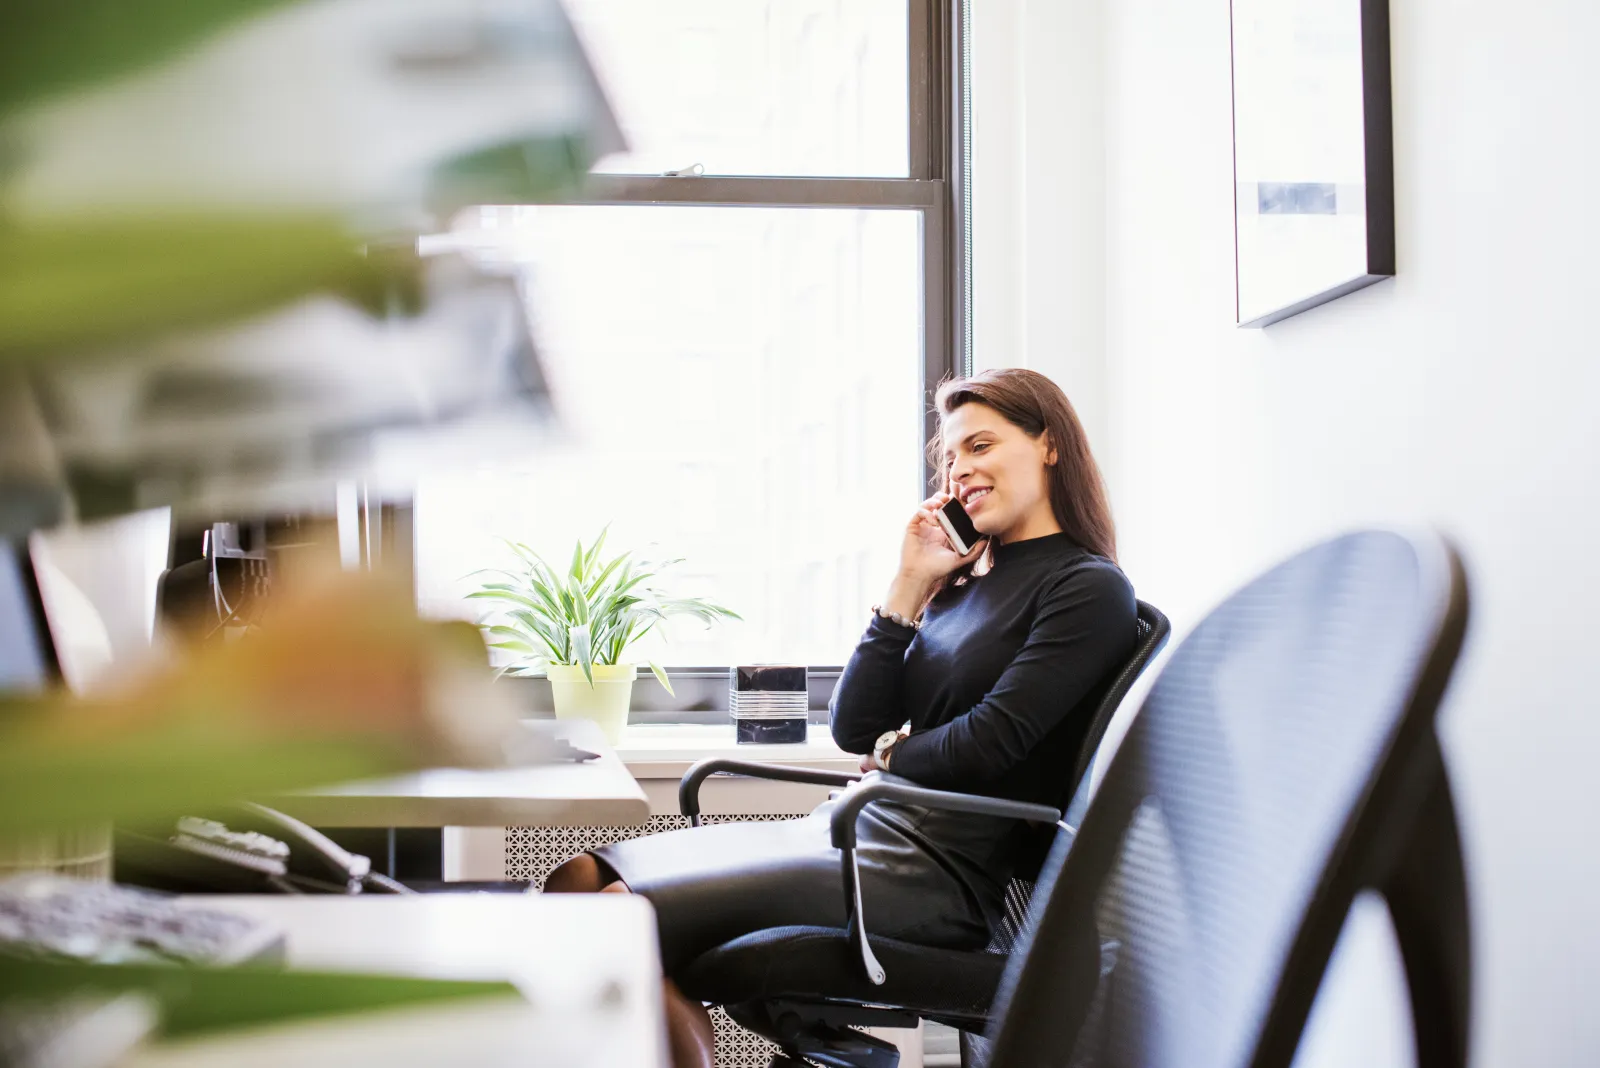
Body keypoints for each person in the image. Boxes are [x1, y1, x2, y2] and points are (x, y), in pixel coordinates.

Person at [543, 368, 1138, 1068]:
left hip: (930, 873)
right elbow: (854, 727)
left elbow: (989, 743)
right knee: (576, 881)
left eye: (981, 445)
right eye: (951, 458)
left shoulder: (1087, 589)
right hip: (851, 830)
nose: (962, 470)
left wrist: (891, 758)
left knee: (612, 919)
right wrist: (909, 585)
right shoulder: (960, 584)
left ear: (1049, 445)